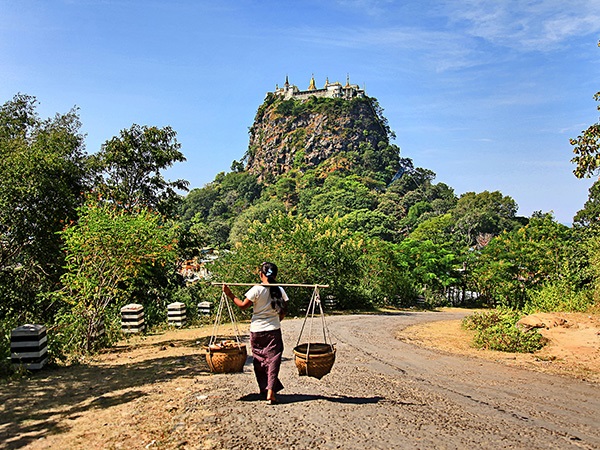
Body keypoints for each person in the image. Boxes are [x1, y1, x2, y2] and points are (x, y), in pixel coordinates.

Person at [223, 262, 288, 404]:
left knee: (259, 361)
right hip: (273, 331)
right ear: (276, 275)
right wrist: (276, 319)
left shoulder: (256, 289)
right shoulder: (279, 290)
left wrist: (229, 294)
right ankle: (271, 390)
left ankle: (265, 389)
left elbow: (242, 306)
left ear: (261, 274)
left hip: (257, 331)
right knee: (273, 360)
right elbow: (283, 311)